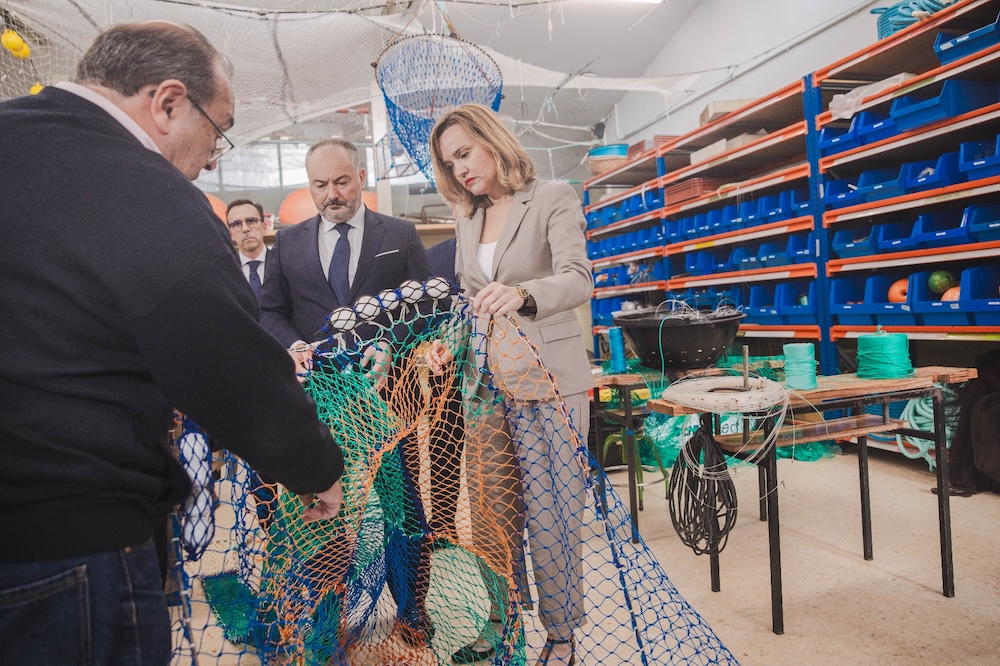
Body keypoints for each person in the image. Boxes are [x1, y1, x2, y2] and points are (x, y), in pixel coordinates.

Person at [0, 22, 343, 666]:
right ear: (167, 102)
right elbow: (226, 362)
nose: (214, 156)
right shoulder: (147, 192)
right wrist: (314, 468)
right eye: (219, 129)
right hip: (68, 542)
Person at [427, 103, 594, 666]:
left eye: (465, 154)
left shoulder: (552, 198)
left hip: (549, 381)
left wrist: (524, 295)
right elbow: (468, 300)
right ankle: (500, 623)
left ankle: (562, 634)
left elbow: (578, 278)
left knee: (552, 514)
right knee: (494, 511)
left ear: (493, 142)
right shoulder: (467, 218)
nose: (459, 171)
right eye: (450, 164)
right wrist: (444, 342)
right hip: (487, 385)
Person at [226, 198, 271, 301]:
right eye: (237, 224)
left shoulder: (282, 264)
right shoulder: (226, 271)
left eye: (251, 221)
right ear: (231, 234)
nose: (245, 229)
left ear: (264, 227)